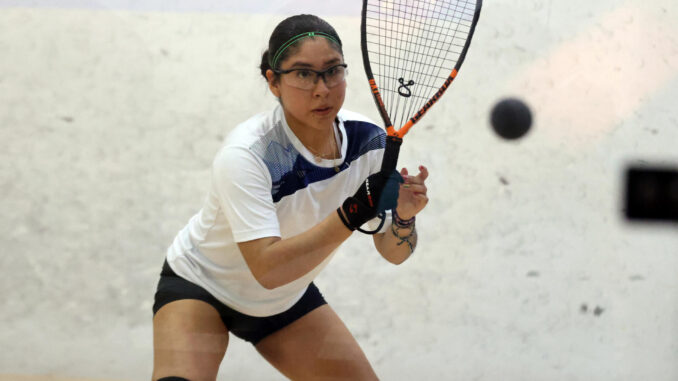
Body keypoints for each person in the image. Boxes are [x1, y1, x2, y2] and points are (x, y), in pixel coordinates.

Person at [152, 14, 429, 381]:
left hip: (285, 302)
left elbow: (394, 253)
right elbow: (268, 269)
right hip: (202, 286)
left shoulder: (370, 142)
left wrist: (406, 218)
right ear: (273, 82)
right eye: (303, 74)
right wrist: (350, 214)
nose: (322, 89)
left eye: (333, 71)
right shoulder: (250, 155)